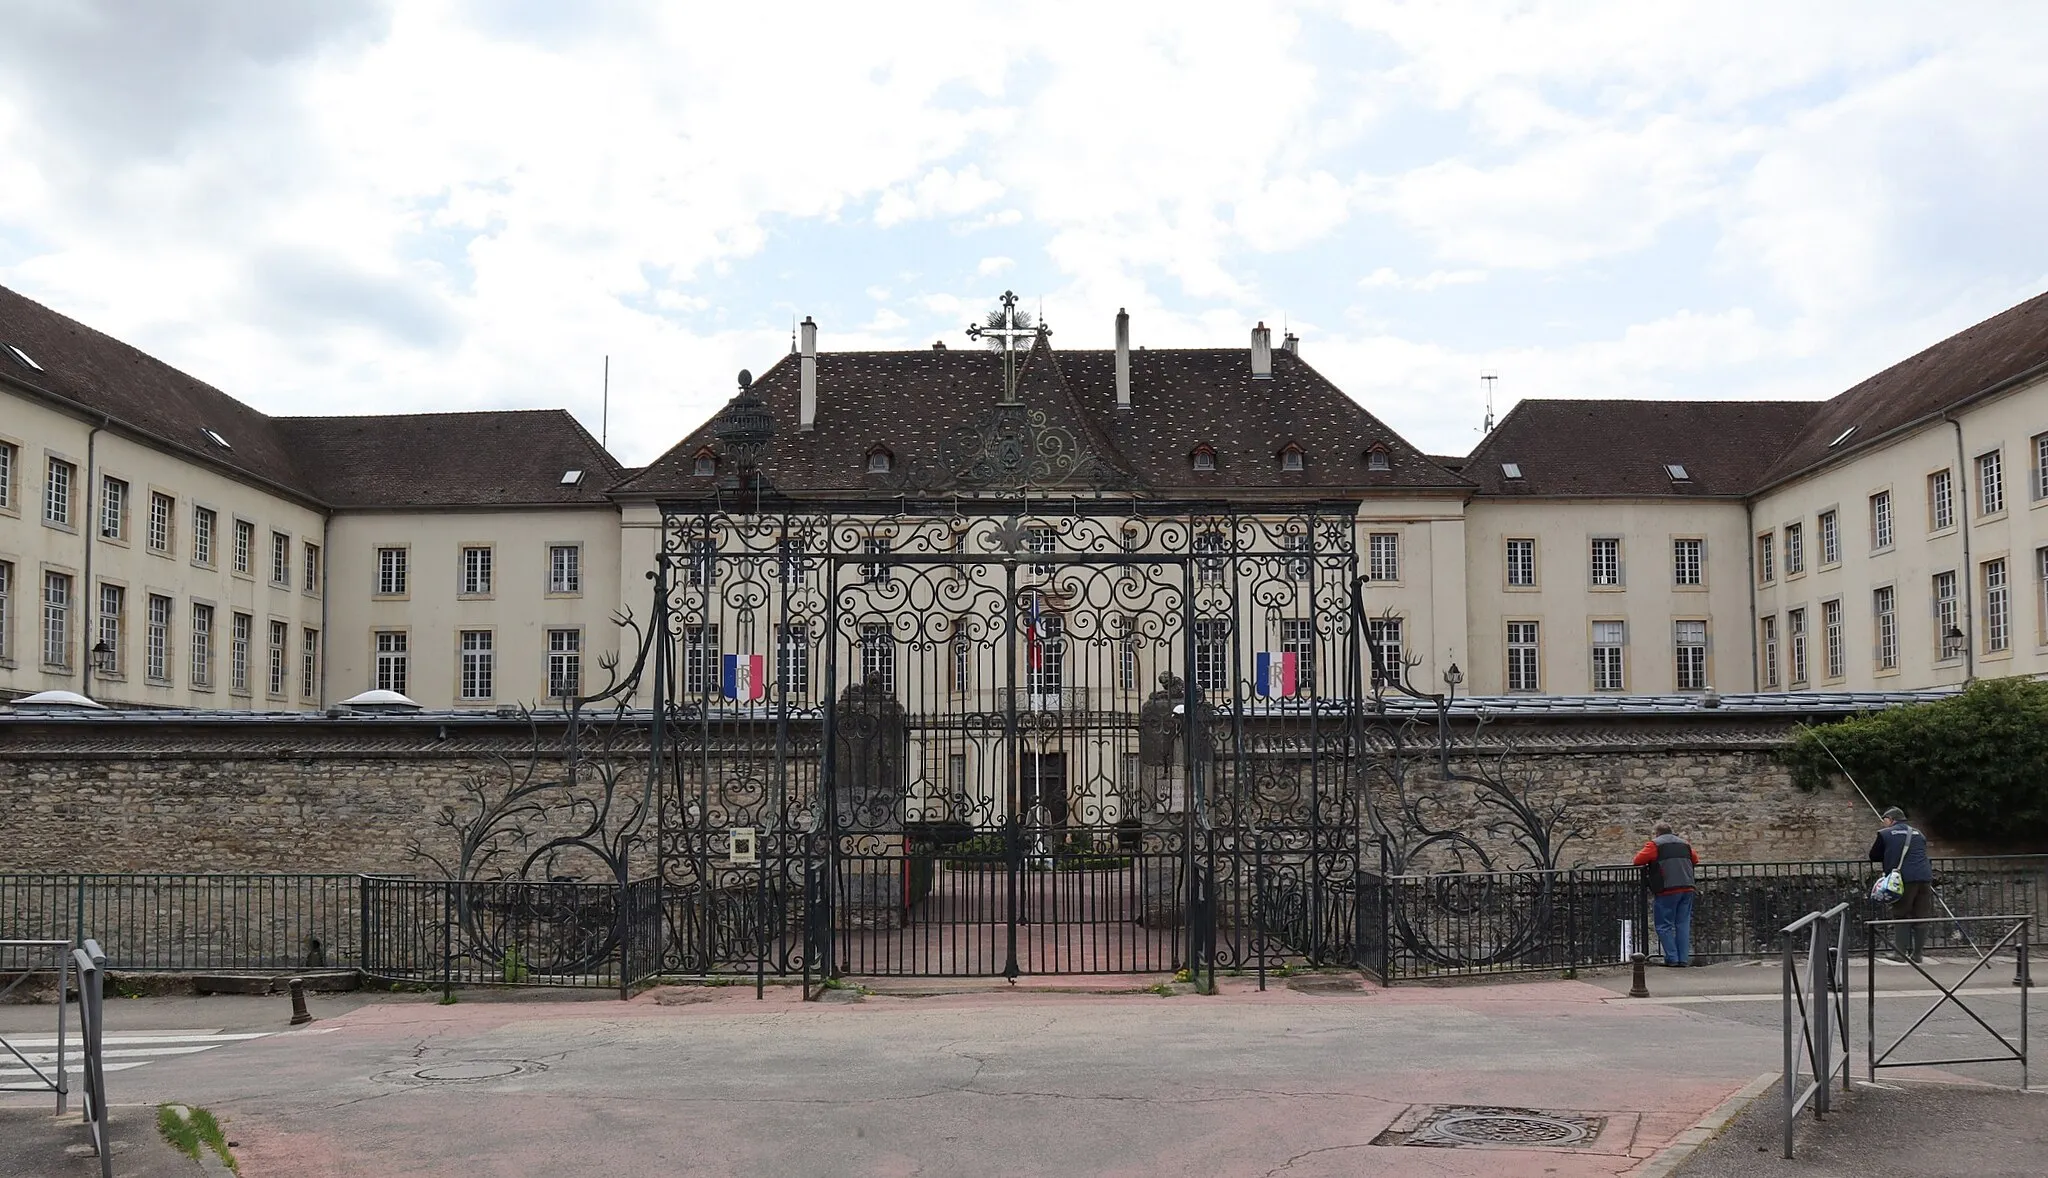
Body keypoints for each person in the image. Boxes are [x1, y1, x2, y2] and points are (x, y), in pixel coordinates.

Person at [1869, 807, 1934, 962]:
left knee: (1901, 914)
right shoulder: (1918, 834)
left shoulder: (1885, 834)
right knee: (1921, 916)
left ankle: (1900, 954)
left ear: (1891, 819)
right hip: (1924, 878)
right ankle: (1918, 955)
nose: (1883, 822)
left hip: (1903, 879)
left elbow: (1873, 855)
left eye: (1884, 819)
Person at [1633, 822, 1699, 966]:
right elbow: (1695, 859)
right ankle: (1683, 959)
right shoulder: (1685, 844)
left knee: (1664, 925)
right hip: (1687, 887)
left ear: (1657, 833)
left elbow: (1638, 860)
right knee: (1682, 924)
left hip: (1667, 888)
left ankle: (1672, 958)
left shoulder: (1654, 845)